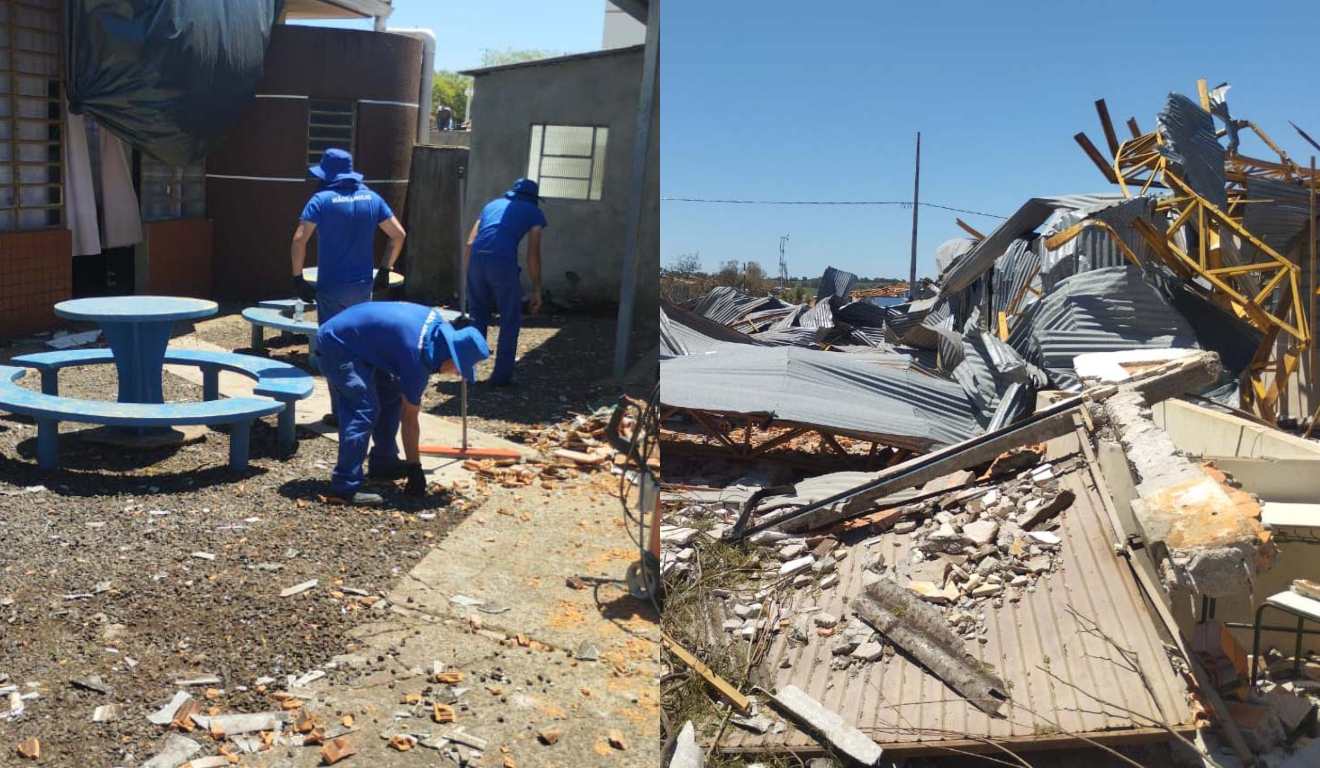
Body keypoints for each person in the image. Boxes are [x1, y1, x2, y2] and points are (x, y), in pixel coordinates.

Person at [315, 301, 490, 505]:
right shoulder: (417, 358)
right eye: (459, 368)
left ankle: (383, 463)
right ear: (451, 356)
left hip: (359, 338)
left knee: (391, 395)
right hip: (337, 344)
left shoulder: (436, 328)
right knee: (363, 409)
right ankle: (344, 487)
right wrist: (414, 467)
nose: (458, 373)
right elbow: (410, 418)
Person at [290, 148, 406, 424]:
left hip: (331, 287)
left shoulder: (321, 200)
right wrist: (385, 270)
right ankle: (364, 403)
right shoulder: (372, 198)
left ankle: (339, 410)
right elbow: (398, 235)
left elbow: (299, 239)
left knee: (333, 347)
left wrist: (297, 277)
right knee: (360, 345)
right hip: (362, 288)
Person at [463, 177, 547, 387]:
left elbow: (470, 242)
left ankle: (467, 372)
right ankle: (500, 378)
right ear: (533, 198)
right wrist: (537, 289)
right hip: (502, 261)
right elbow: (533, 255)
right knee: (510, 318)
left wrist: (469, 276)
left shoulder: (490, 206)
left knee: (477, 316)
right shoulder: (534, 212)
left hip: (476, 261)